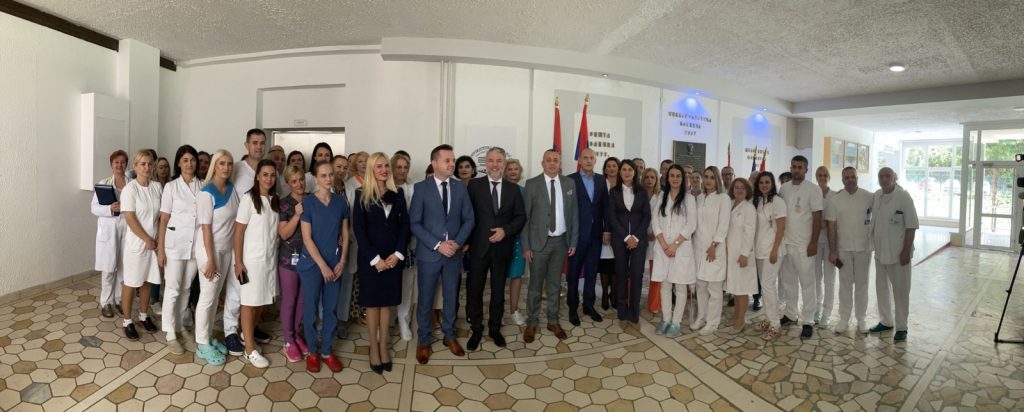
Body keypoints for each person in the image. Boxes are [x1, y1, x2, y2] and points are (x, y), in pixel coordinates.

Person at [410, 144, 475, 364]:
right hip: (429, 254)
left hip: (453, 254)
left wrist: (456, 243)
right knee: (425, 299)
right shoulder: (421, 188)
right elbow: (415, 223)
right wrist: (438, 244)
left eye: (453, 160)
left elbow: (469, 219)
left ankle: (450, 335)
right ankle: (424, 340)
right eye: (447, 160)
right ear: (435, 163)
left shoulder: (460, 188)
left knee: (451, 296)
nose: (452, 164)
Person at [353, 152, 410, 374]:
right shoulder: (361, 194)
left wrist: (398, 254)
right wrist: (375, 259)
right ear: (371, 169)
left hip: (393, 259)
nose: (384, 170)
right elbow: (359, 230)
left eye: (386, 165)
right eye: (379, 166)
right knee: (372, 304)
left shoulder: (398, 194)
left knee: (387, 303)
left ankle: (384, 345)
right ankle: (373, 348)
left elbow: (405, 227)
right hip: (371, 260)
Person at [465, 147, 526, 350]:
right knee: (475, 290)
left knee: (498, 291)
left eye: (499, 161)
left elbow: (520, 217)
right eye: (491, 160)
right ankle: (476, 328)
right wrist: (466, 241)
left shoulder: (513, 189)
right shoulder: (474, 186)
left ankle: (494, 328)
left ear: (504, 163)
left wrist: (505, 231)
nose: (494, 164)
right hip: (478, 247)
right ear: (486, 163)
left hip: (502, 248)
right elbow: (467, 215)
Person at [298, 161, 350, 373]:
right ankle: (312, 351)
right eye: (324, 175)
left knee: (330, 309)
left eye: (330, 175)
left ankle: (327, 351)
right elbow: (307, 239)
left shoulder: (341, 203)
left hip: (334, 263)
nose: (328, 178)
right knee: (310, 310)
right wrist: (322, 266)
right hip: (312, 264)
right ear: (316, 178)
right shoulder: (308, 203)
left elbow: (345, 234)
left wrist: (342, 261)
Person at [522, 149, 578, 342]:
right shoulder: (532, 184)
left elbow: (574, 214)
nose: (552, 163)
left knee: (555, 285)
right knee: (535, 286)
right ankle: (532, 322)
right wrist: (526, 246)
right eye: (549, 160)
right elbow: (525, 218)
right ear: (542, 163)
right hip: (538, 244)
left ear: (560, 163)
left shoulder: (569, 184)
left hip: (561, 243)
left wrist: (573, 241)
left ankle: (553, 321)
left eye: (556, 160)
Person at [225, 128, 270, 354]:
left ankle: (248, 328)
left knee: (255, 288)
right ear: (246, 145)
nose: (259, 147)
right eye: (255, 142)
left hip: (259, 240)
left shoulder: (267, 171)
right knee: (237, 287)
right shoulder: (237, 169)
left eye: (262, 143)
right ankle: (230, 331)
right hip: (239, 235)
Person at [233, 160, 281, 368]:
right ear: (258, 177)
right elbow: (238, 232)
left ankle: (248, 335)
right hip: (252, 260)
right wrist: (238, 262)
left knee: (262, 300)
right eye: (265, 174)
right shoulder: (248, 199)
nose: (269, 178)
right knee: (250, 302)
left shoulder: (275, 200)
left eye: (272, 175)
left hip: (269, 260)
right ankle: (249, 350)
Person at [194, 150, 239, 365]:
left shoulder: (231, 189)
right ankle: (202, 344)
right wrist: (210, 260)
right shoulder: (206, 193)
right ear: (215, 166)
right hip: (208, 251)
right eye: (221, 163)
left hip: (226, 250)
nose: (226, 167)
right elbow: (205, 229)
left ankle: (208, 336)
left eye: (229, 164)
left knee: (214, 296)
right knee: (207, 296)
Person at [156, 145, 201, 355]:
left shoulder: (203, 186)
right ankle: (170, 333)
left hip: (195, 245)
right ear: (179, 163)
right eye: (185, 160)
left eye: (192, 160)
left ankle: (181, 325)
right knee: (173, 288)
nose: (189, 164)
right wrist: (160, 249)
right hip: (174, 245)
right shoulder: (171, 187)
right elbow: (164, 219)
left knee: (186, 288)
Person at [869, 167, 917, 342]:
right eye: (881, 176)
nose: (884, 179)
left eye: (887, 176)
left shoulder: (903, 197)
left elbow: (911, 225)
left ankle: (902, 327)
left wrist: (906, 251)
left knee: (901, 291)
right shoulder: (877, 195)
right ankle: (886, 321)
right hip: (880, 252)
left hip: (899, 254)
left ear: (895, 178)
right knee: (881, 288)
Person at [119, 150, 163, 340]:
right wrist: (147, 239)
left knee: (147, 280)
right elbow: (130, 218)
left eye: (149, 164)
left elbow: (161, 215)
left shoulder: (157, 187)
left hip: (153, 243)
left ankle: (143, 316)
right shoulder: (130, 189)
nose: (147, 167)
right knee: (132, 281)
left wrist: (158, 239)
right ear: (135, 167)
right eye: (142, 164)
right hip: (137, 244)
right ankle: (127, 321)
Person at [778, 155, 823, 339]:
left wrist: (813, 242)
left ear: (806, 169)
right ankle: (790, 313)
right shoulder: (784, 188)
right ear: (790, 167)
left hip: (804, 244)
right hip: (786, 242)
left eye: (800, 167)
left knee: (807, 282)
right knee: (788, 280)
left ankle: (808, 320)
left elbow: (818, 217)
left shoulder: (813, 189)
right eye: (794, 166)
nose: (796, 170)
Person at [827, 167, 874, 335]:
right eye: (846, 177)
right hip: (843, 249)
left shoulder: (869, 197)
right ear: (842, 180)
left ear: (857, 177)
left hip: (863, 248)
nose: (850, 180)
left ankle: (861, 318)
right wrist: (833, 251)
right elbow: (831, 227)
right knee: (845, 285)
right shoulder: (835, 200)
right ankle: (844, 318)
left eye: (852, 176)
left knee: (862, 284)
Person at [651, 165, 696, 337]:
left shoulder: (689, 199)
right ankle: (666, 319)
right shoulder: (661, 196)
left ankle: (676, 322)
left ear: (683, 179)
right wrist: (664, 244)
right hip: (663, 248)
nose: (675, 178)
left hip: (681, 248)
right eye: (672, 175)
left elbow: (691, 224)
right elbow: (655, 221)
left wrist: (675, 245)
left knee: (680, 286)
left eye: (678, 176)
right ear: (667, 178)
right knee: (665, 285)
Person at [606, 160, 651, 327]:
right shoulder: (614, 192)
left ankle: (634, 311)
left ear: (634, 172)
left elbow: (646, 216)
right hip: (620, 239)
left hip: (639, 240)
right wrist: (626, 237)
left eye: (629, 169)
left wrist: (636, 237)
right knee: (621, 274)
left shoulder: (642, 192)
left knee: (637, 275)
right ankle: (622, 309)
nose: (626, 172)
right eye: (623, 169)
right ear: (620, 172)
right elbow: (612, 217)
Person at [567, 148, 607, 325]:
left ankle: (588, 305)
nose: (589, 160)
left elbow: (605, 206)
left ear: (595, 160)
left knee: (591, 271)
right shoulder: (570, 180)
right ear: (580, 161)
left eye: (592, 157)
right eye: (585, 157)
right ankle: (572, 306)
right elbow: (567, 209)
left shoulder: (601, 180)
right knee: (573, 272)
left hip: (596, 234)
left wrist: (607, 230)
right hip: (576, 235)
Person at [92, 150, 131, 319]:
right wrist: (110, 208)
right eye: (116, 162)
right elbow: (94, 208)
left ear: (126, 164)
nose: (119, 165)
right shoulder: (104, 184)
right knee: (108, 268)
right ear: (111, 164)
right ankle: (106, 302)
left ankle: (119, 299)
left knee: (123, 267)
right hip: (109, 229)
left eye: (122, 162)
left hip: (127, 228)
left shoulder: (132, 184)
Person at [692, 166, 730, 335]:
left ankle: (713, 322)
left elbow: (724, 224)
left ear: (717, 180)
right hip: (698, 249)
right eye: (706, 177)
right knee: (700, 286)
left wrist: (714, 245)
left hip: (714, 249)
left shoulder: (723, 198)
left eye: (712, 177)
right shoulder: (700, 198)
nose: (708, 180)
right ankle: (702, 317)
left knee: (714, 289)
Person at [277, 165, 308, 362]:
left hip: (309, 259)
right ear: (288, 183)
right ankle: (288, 340)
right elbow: (284, 234)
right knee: (290, 299)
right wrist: (296, 214)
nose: (299, 184)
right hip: (288, 260)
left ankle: (296, 335)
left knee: (303, 300)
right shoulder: (284, 204)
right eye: (294, 181)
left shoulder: (312, 199)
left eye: (301, 179)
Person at [753, 172, 787, 340]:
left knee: (768, 286)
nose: (764, 185)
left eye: (767, 182)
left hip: (773, 251)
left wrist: (774, 250)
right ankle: (768, 318)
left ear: (772, 184)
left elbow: (781, 228)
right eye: (761, 182)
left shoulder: (778, 202)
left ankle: (775, 325)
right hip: (760, 250)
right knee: (765, 287)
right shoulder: (760, 201)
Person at [342, 151, 369, 334]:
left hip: (369, 239)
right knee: (350, 278)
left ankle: (363, 312)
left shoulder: (374, 183)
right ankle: (345, 316)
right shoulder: (350, 185)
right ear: (355, 165)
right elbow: (349, 213)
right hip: (353, 237)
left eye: (367, 161)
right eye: (360, 161)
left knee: (365, 278)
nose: (364, 164)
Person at [725, 178, 757, 334]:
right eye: (736, 187)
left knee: (742, 288)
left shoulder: (749, 208)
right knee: (735, 287)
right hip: (731, 253)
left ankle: (741, 320)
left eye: (742, 188)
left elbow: (749, 233)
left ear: (747, 190)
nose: (739, 190)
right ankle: (737, 313)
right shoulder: (730, 204)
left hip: (742, 254)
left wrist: (744, 254)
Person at [392, 153, 417, 341]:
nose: (402, 171)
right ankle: (389, 317)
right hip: (390, 242)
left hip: (410, 241)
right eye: (398, 167)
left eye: (405, 167)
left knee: (407, 282)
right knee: (389, 282)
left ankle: (403, 318)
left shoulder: (414, 187)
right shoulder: (385, 187)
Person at [503, 159, 528, 325]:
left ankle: (514, 311)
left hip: (520, 240)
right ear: (504, 172)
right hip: (501, 238)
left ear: (520, 173)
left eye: (516, 169)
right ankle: (497, 311)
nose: (513, 171)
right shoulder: (499, 189)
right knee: (499, 277)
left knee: (517, 276)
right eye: (509, 169)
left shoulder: (525, 192)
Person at [814, 166, 837, 328]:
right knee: (816, 277)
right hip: (815, 240)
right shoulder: (812, 193)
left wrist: (827, 224)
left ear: (828, 177)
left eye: (825, 175)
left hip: (830, 241)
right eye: (819, 175)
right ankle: (816, 309)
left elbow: (838, 217)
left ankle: (827, 313)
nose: (822, 178)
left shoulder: (834, 196)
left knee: (829, 278)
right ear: (816, 177)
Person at [598, 157, 620, 310]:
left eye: (614, 166)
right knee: (605, 262)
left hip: (619, 230)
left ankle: (614, 293)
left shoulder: (624, 184)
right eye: (608, 166)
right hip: (602, 228)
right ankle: (605, 293)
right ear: (605, 169)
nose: (611, 168)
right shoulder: (600, 183)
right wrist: (605, 229)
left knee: (616, 262)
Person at [641, 167, 662, 315]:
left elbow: (663, 217)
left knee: (656, 274)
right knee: (636, 273)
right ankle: (632, 301)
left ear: (656, 180)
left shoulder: (662, 196)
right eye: (647, 177)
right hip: (640, 238)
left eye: (652, 177)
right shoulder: (637, 193)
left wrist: (656, 232)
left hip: (656, 239)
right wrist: (643, 232)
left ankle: (654, 304)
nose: (649, 180)